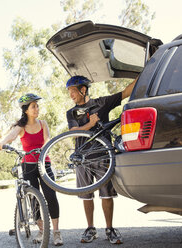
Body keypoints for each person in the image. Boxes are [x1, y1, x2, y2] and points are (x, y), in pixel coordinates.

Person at [65, 75, 137, 245]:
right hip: (82, 159)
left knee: (106, 195)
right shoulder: (71, 112)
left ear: (83, 90)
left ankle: (110, 229)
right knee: (86, 197)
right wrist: (89, 125)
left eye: (73, 91)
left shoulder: (102, 103)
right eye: (69, 92)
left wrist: (144, 72)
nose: (71, 95)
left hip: (103, 156)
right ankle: (90, 228)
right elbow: (73, 131)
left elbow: (126, 92)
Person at [0, 93, 63, 246]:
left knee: (51, 196)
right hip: (28, 165)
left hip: (43, 163)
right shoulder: (21, 126)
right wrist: (2, 142)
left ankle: (57, 233)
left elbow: (47, 140)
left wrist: (43, 149)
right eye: (33, 106)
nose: (36, 108)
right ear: (26, 110)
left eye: (37, 106)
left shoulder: (43, 123)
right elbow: (12, 136)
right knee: (34, 198)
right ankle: (42, 231)